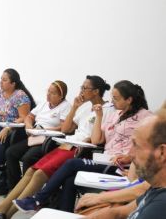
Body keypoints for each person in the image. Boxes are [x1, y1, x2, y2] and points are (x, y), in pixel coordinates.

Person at [0, 75, 114, 219]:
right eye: (81, 87)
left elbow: (99, 139)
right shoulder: (84, 108)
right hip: (67, 144)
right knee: (30, 171)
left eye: (85, 88)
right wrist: (75, 107)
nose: (81, 91)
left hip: (80, 150)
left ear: (96, 91)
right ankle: (3, 211)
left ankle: (5, 212)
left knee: (40, 173)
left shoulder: (107, 110)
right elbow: (66, 129)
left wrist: (91, 130)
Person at [13, 80, 152, 213]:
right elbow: (97, 139)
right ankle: (64, 214)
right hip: (105, 159)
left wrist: (130, 157)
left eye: (116, 98)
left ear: (129, 99)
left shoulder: (146, 117)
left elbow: (149, 146)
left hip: (121, 165)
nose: (113, 102)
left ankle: (38, 199)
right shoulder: (115, 114)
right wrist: (99, 116)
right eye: (112, 98)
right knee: (70, 179)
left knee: (72, 163)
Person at [84, 108, 166, 219]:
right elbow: (119, 213)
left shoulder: (160, 205)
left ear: (162, 152)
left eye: (136, 145)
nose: (130, 154)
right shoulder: (155, 188)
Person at [5, 80, 71, 190]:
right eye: (48, 91)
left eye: (53, 93)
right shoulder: (44, 103)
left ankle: (26, 191)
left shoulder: (65, 106)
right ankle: (15, 187)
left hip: (49, 139)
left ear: (61, 96)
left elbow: (63, 128)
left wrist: (45, 130)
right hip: (35, 135)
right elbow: (29, 116)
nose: (48, 95)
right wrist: (29, 126)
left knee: (28, 158)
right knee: (10, 153)